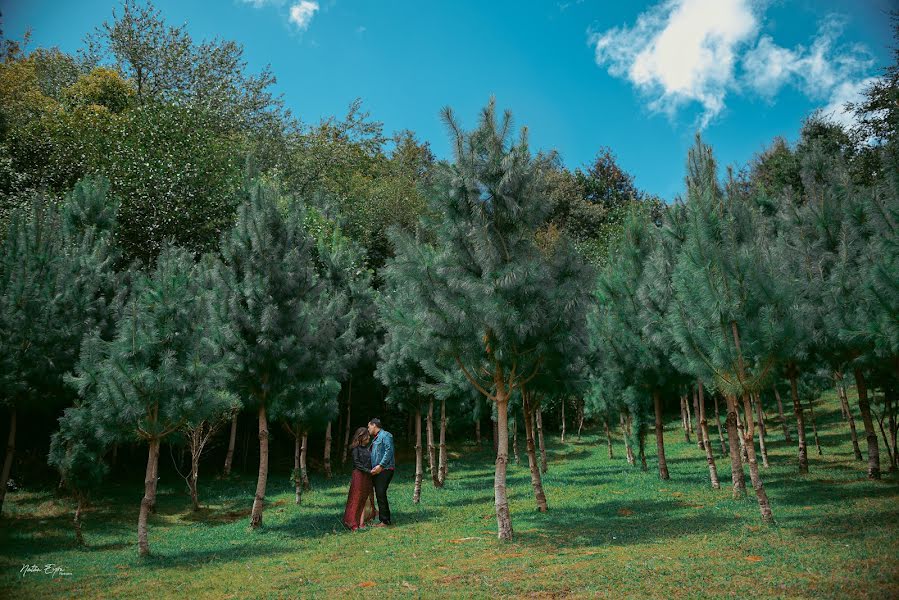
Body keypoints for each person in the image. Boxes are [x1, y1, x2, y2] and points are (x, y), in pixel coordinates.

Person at [342, 427, 377, 531]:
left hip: (367, 475)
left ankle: (361, 523)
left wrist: (373, 470)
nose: (369, 438)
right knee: (356, 498)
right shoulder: (355, 449)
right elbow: (357, 464)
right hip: (359, 475)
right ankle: (352, 522)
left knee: (364, 498)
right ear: (361, 436)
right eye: (367, 436)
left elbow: (370, 462)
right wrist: (368, 471)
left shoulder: (367, 449)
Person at [367, 418, 395, 527]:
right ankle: (381, 518)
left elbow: (389, 451)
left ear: (374, 425)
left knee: (380, 493)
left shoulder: (386, 435)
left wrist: (381, 465)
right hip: (378, 470)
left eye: (369, 426)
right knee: (379, 494)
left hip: (385, 469)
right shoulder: (375, 439)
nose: (368, 429)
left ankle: (385, 521)